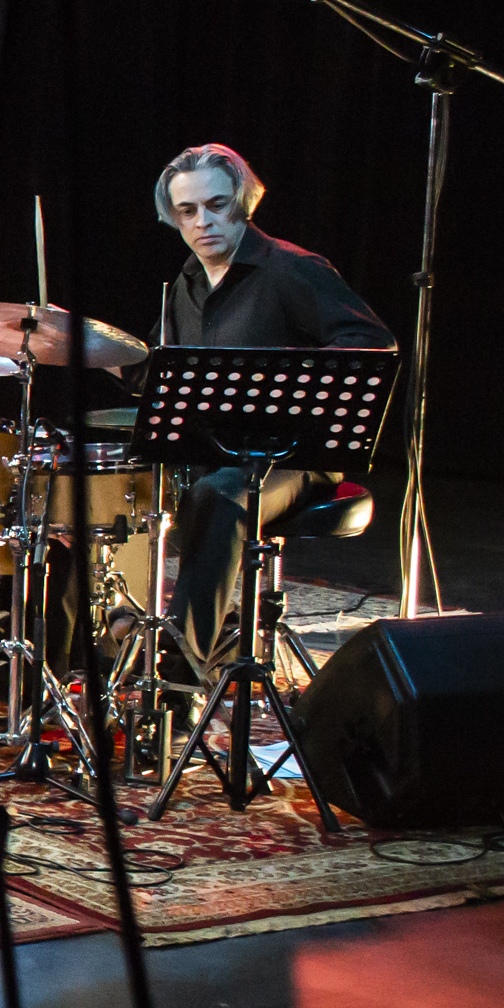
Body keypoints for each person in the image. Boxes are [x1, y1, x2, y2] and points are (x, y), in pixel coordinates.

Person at [148, 141, 392, 666]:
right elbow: (153, 371)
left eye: (216, 205)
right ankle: (94, 648)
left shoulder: (291, 268)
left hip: (292, 458)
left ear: (243, 202)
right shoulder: (184, 286)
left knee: (220, 495)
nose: (202, 221)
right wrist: (95, 351)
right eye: (187, 211)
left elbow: (369, 344)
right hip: (214, 452)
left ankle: (181, 670)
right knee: (90, 486)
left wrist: (285, 376)